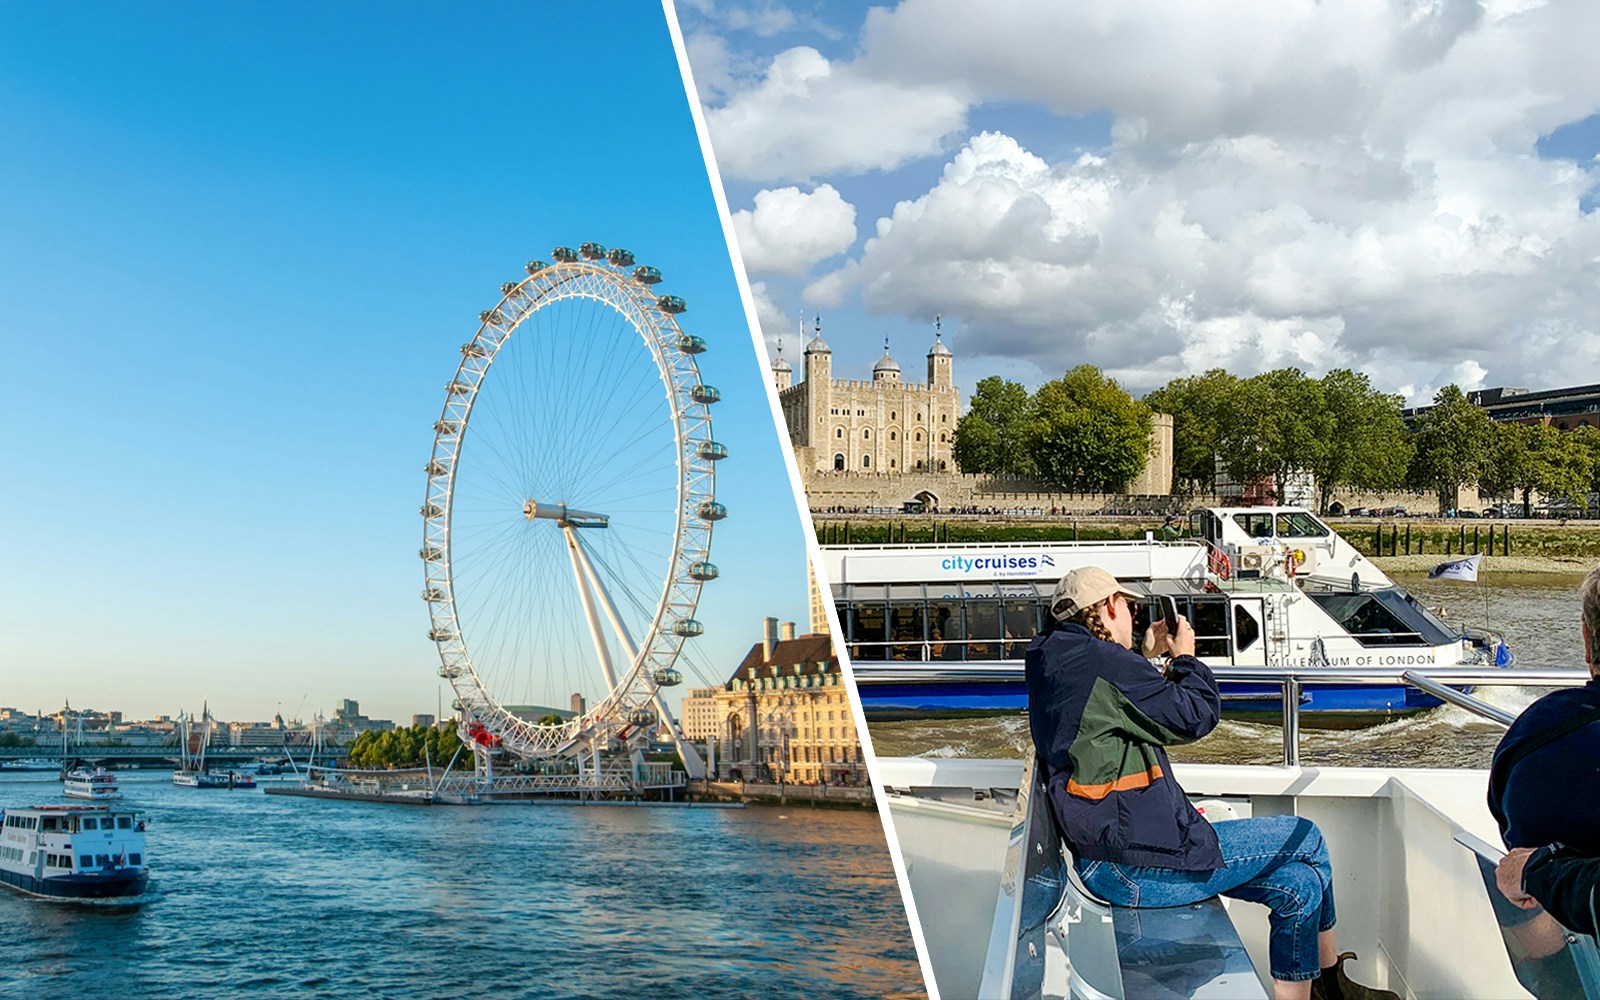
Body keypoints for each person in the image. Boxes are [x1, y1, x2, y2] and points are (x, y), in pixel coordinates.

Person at [1026, 566, 1397, 1000]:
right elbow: (1193, 717)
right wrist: (1185, 657)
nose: (1132, 615)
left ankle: (1315, 993)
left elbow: (1116, 709)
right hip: (1133, 862)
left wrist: (1143, 657)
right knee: (1306, 836)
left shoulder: (1060, 660)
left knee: (1299, 886)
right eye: (1128, 606)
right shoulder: (1103, 664)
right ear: (1108, 607)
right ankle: (1334, 985)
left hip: (1117, 848)